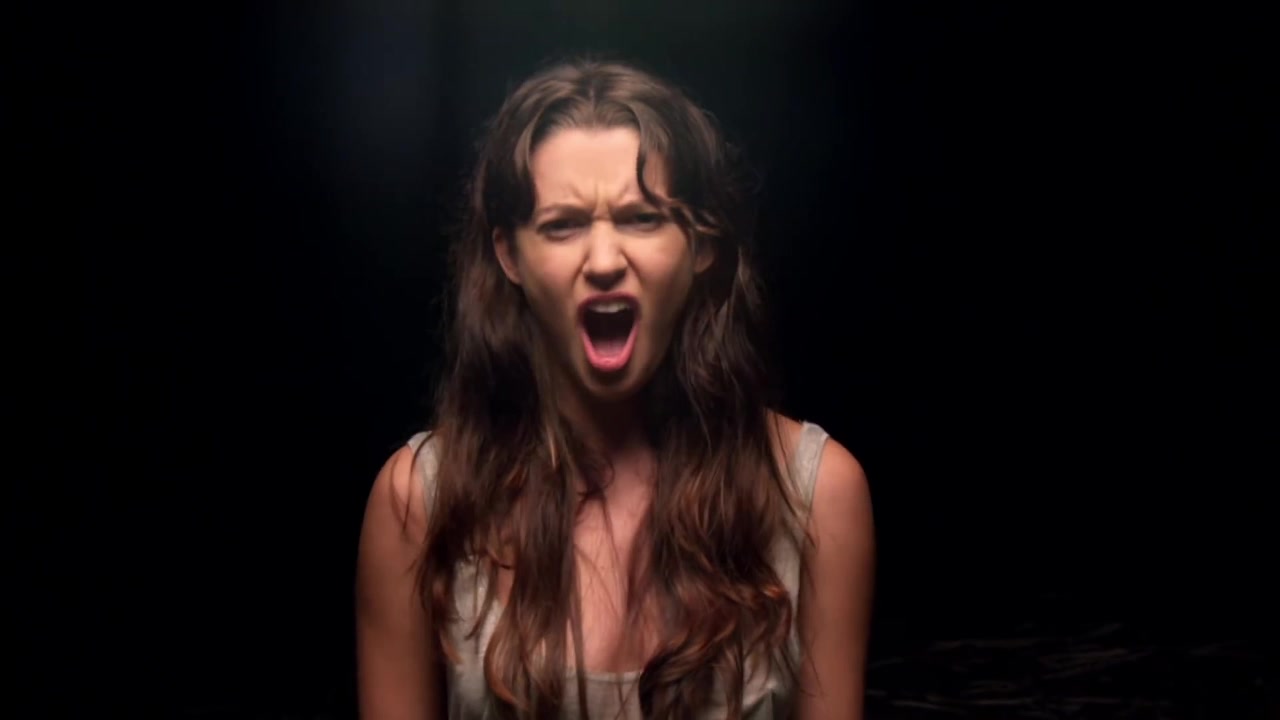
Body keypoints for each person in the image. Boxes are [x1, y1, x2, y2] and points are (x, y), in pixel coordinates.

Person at [355, 58, 875, 719]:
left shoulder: (817, 497)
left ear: (701, 245)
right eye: (562, 225)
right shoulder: (418, 504)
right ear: (510, 256)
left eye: (642, 218)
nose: (603, 262)